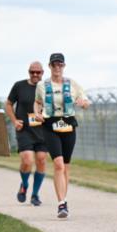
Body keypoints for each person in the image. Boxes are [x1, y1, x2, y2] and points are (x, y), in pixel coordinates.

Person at [33, 52, 90, 219]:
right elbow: (37, 102)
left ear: (64, 66)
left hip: (68, 125)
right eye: (54, 64)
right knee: (58, 164)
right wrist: (37, 113)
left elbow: (85, 102)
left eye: (60, 64)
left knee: (65, 165)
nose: (57, 67)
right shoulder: (42, 86)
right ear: (49, 66)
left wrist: (83, 103)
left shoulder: (72, 84)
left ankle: (64, 198)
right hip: (50, 125)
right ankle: (61, 204)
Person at [5, 61, 48, 206]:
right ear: (28, 72)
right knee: (27, 160)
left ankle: (35, 195)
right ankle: (24, 184)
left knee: (41, 159)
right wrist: (14, 120)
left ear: (43, 72)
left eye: (38, 72)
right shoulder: (19, 86)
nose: (35, 74)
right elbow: (8, 104)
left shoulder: (48, 88)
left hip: (43, 131)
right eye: (32, 72)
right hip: (24, 130)